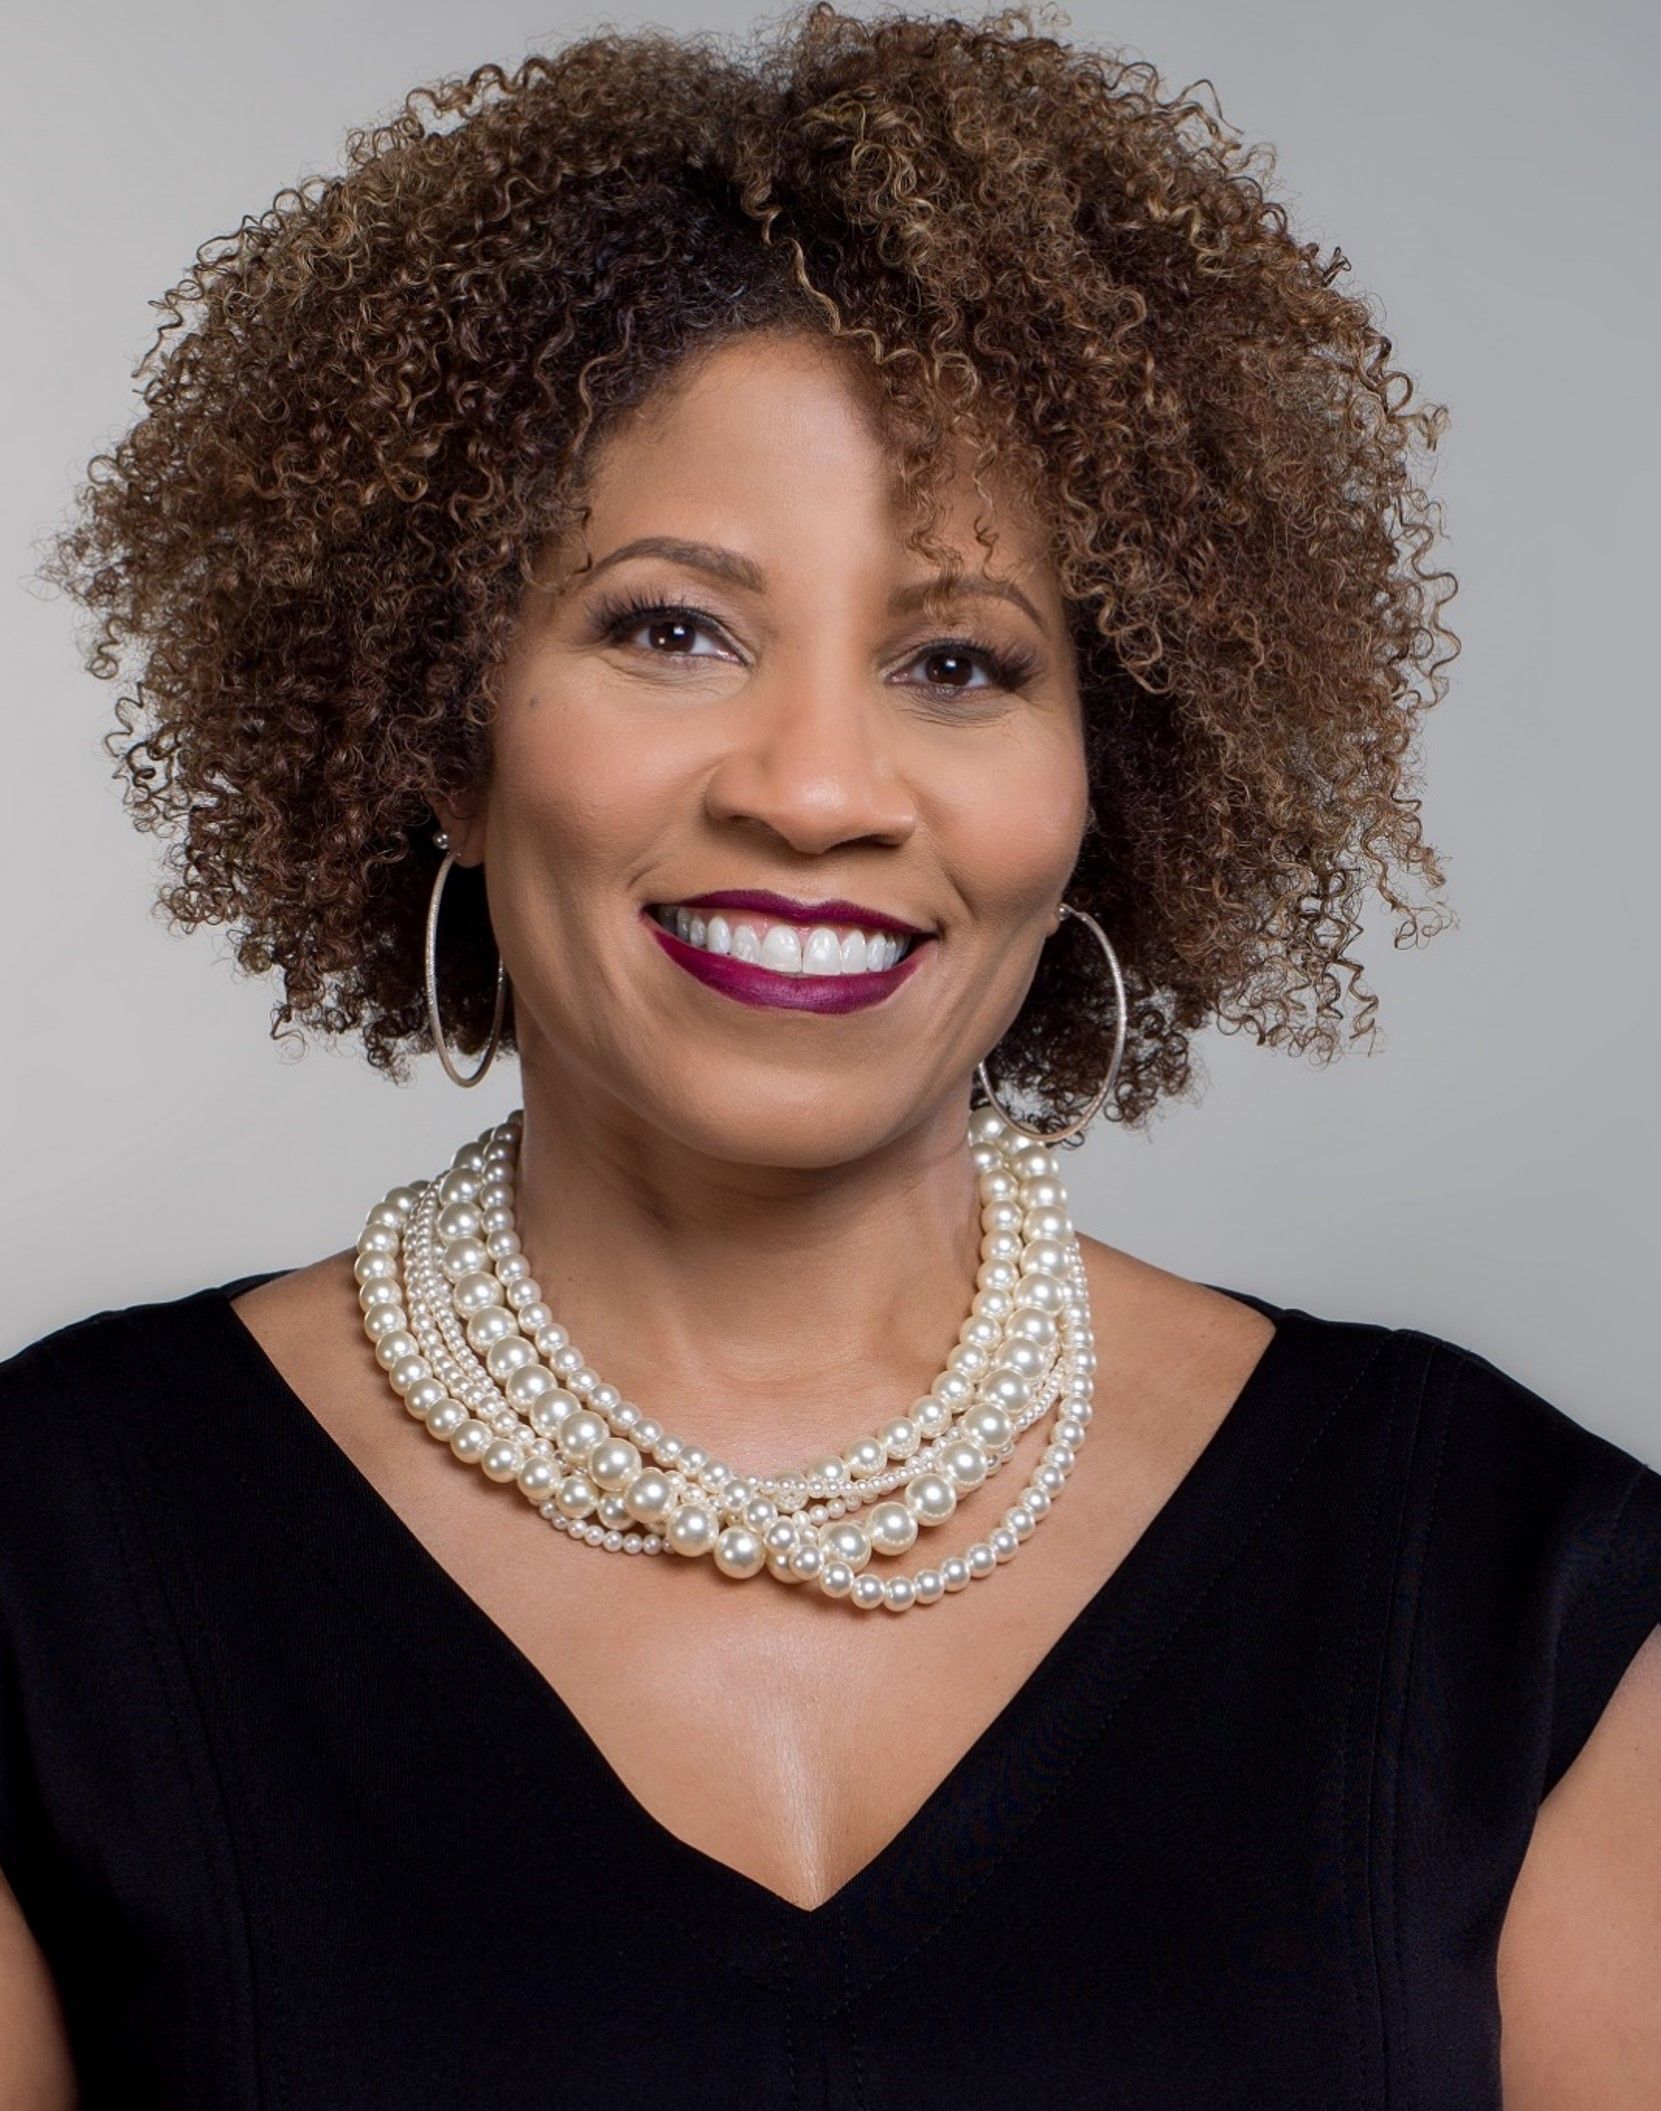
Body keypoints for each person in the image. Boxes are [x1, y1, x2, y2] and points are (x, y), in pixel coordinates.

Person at [6, 6, 1658, 2104]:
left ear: (1103, 786)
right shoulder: (53, 1568)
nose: (817, 789)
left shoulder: (1512, 1597)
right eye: (671, 626)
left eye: (958, 662)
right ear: (440, 727)